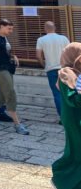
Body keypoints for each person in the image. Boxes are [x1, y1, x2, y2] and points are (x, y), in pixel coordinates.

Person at [0, 19, 30, 135]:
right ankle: (17, 124)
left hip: (8, 69)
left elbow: (5, 53)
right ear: (1, 27)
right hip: (0, 70)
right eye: (9, 28)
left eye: (12, 28)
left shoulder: (4, 39)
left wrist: (14, 56)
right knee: (10, 94)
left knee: (2, 95)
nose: (11, 31)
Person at [51, 42, 81, 189]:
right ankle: (64, 178)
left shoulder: (77, 72)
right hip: (74, 117)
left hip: (76, 115)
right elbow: (73, 99)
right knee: (77, 150)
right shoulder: (66, 73)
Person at [36, 21, 70, 118]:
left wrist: (44, 65)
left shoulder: (41, 40)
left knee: (57, 93)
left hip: (51, 69)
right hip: (65, 69)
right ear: (55, 27)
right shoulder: (64, 38)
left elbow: (38, 56)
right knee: (67, 92)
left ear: (45, 29)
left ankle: (62, 117)